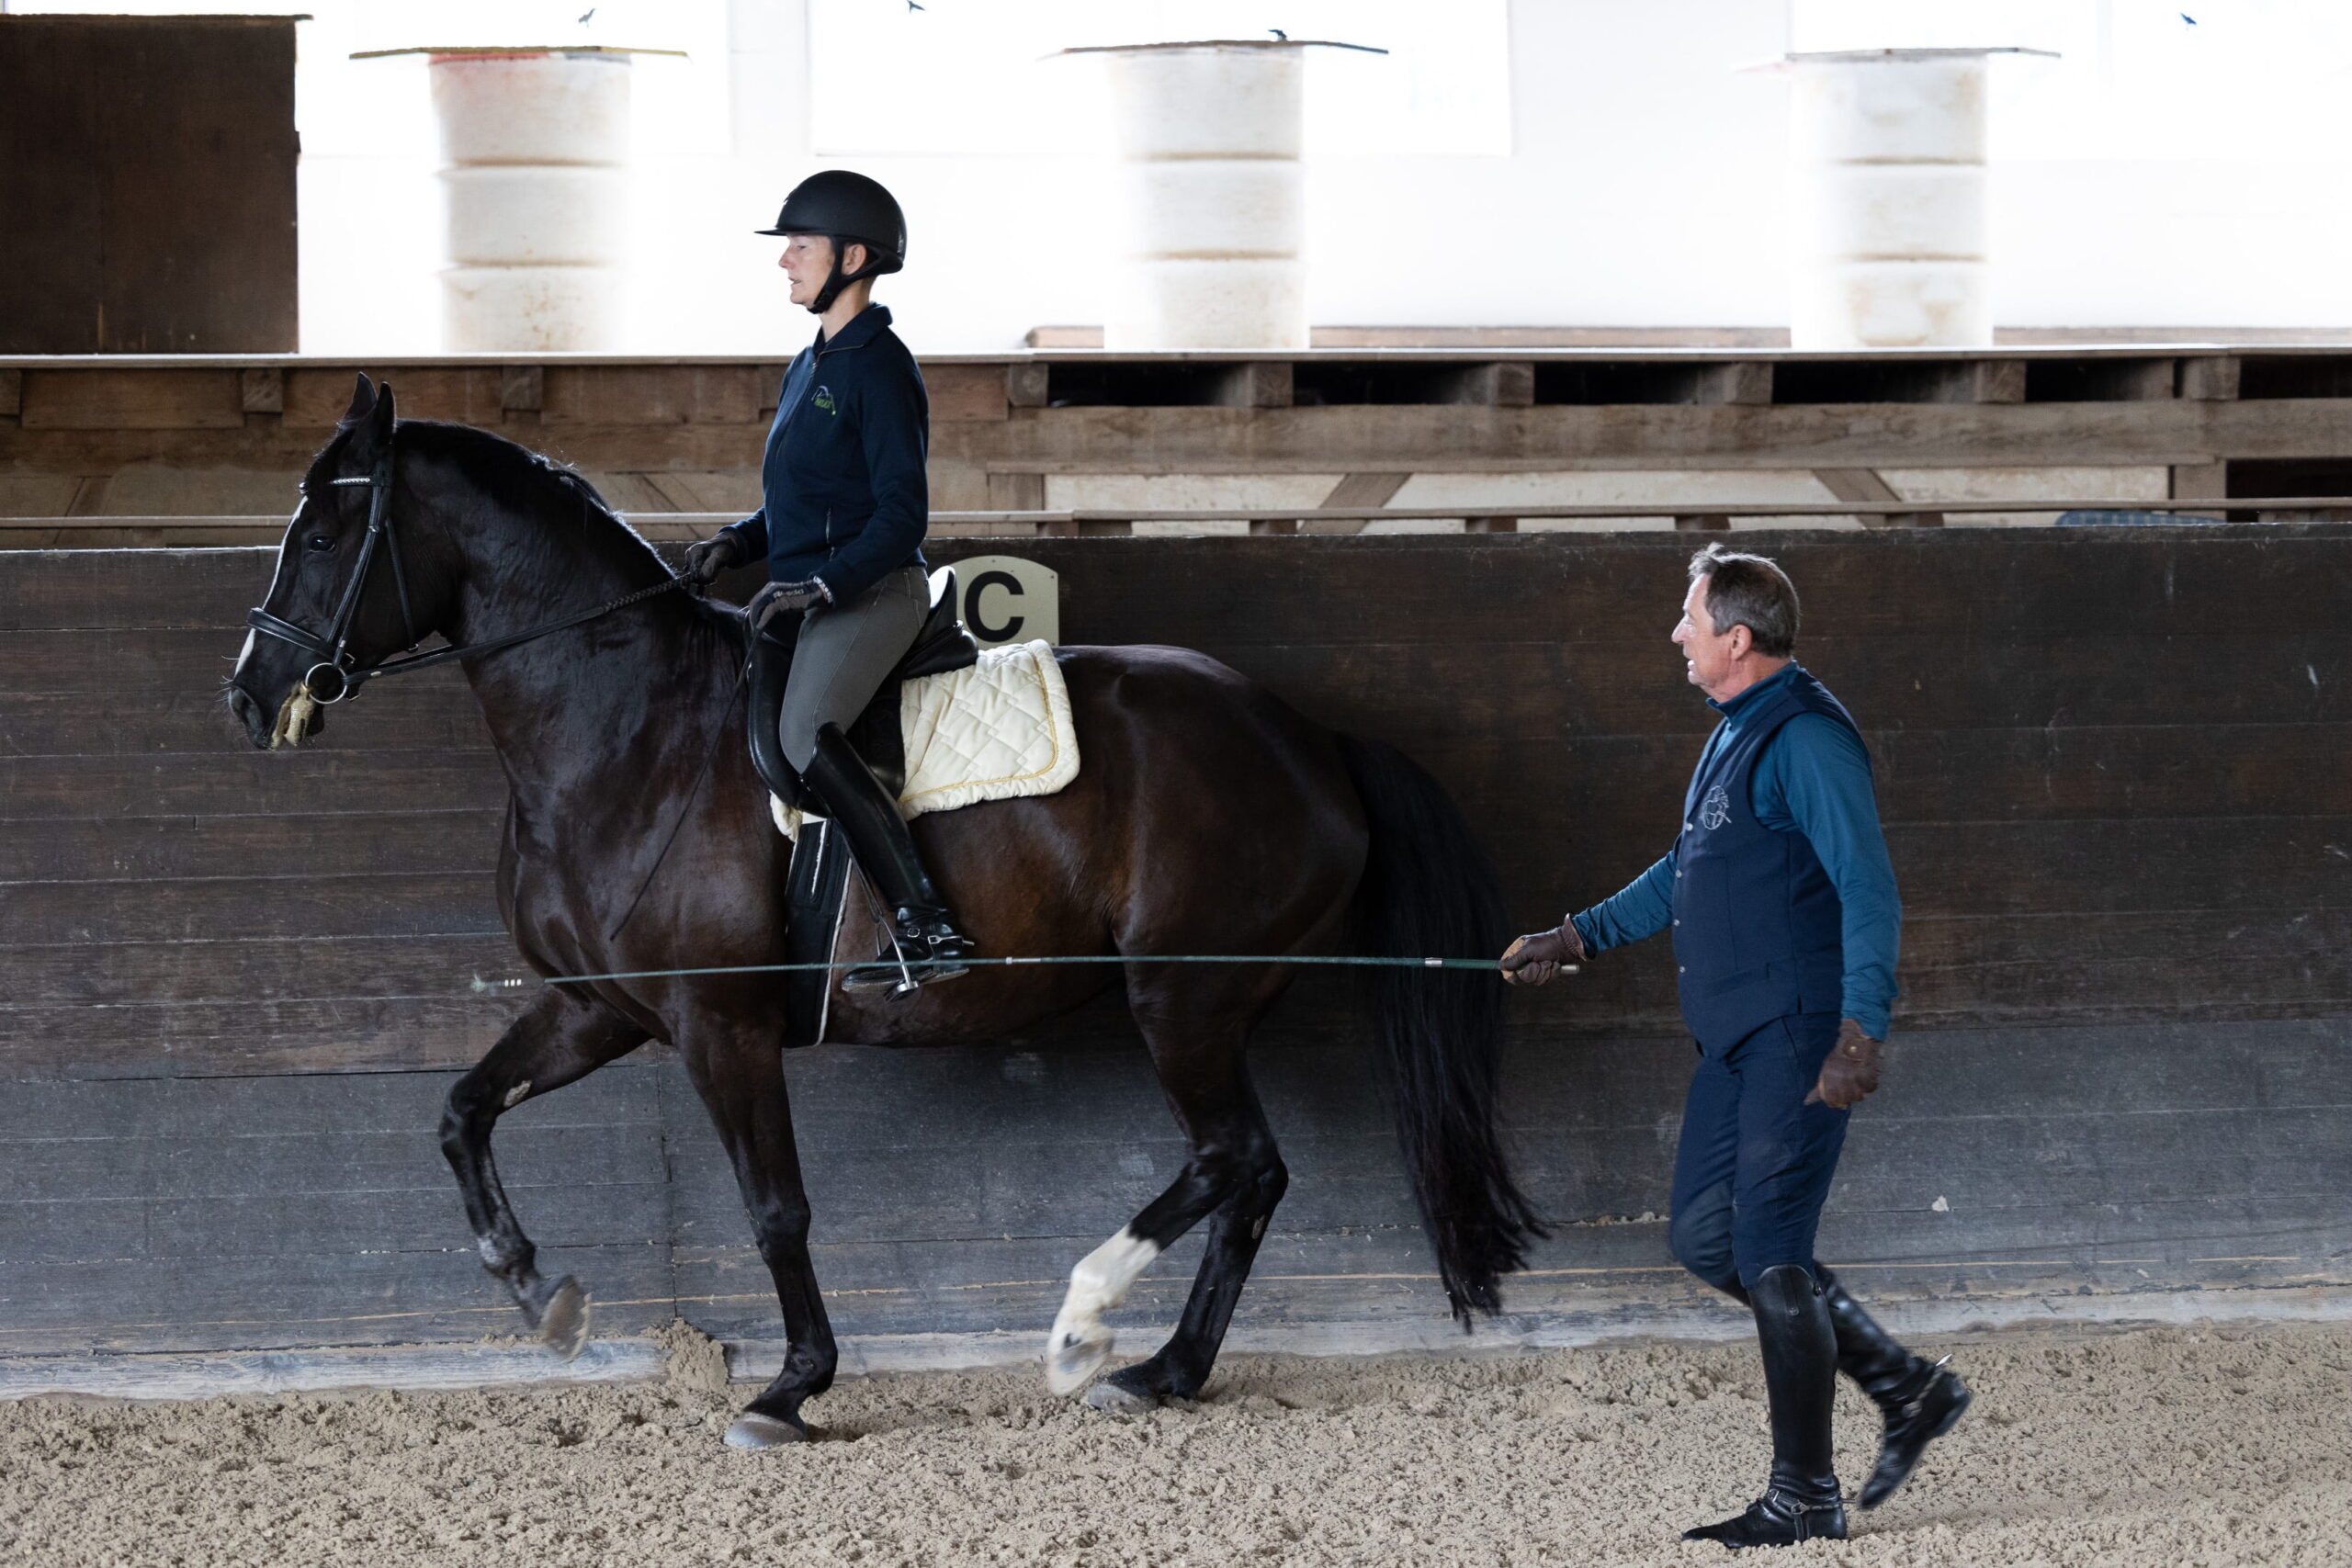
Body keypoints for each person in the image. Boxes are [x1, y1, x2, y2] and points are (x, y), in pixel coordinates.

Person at [1498, 545, 1967, 1549]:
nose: (1677, 634)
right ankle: (1904, 1384)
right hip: (1738, 1039)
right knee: (1706, 1240)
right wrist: (1575, 934)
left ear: (1737, 639)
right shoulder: (1735, 732)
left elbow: (1869, 888)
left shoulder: (1803, 739)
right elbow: (1690, 868)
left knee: (1766, 1253)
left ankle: (1805, 1493)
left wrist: (1860, 1029)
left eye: (1689, 620)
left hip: (1800, 1034)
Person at [683, 170, 972, 991]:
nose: (785, 262)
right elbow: (803, 505)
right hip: (809, 591)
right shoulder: (808, 362)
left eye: (799, 247)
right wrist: (736, 543)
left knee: (808, 731)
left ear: (853, 256)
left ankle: (927, 925)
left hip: (874, 591)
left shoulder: (879, 366)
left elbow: (899, 518)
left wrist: (824, 588)